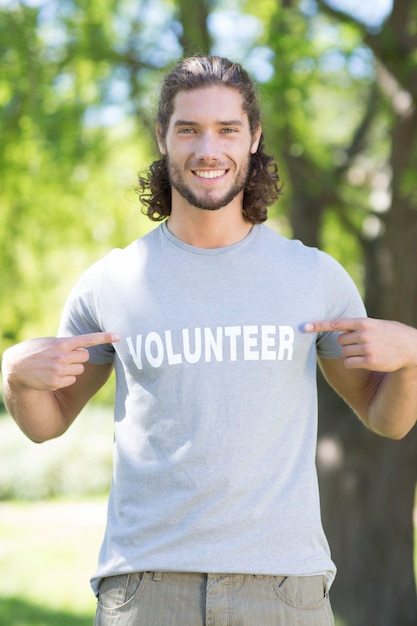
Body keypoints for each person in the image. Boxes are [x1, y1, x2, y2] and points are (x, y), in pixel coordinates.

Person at [2, 55, 417, 626]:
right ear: (162, 136)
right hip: (147, 588)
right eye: (189, 129)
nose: (208, 149)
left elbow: (386, 419)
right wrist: (14, 376)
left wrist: (412, 360)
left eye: (227, 129)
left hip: (284, 589)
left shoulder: (313, 276)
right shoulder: (111, 281)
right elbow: (45, 423)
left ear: (254, 138)